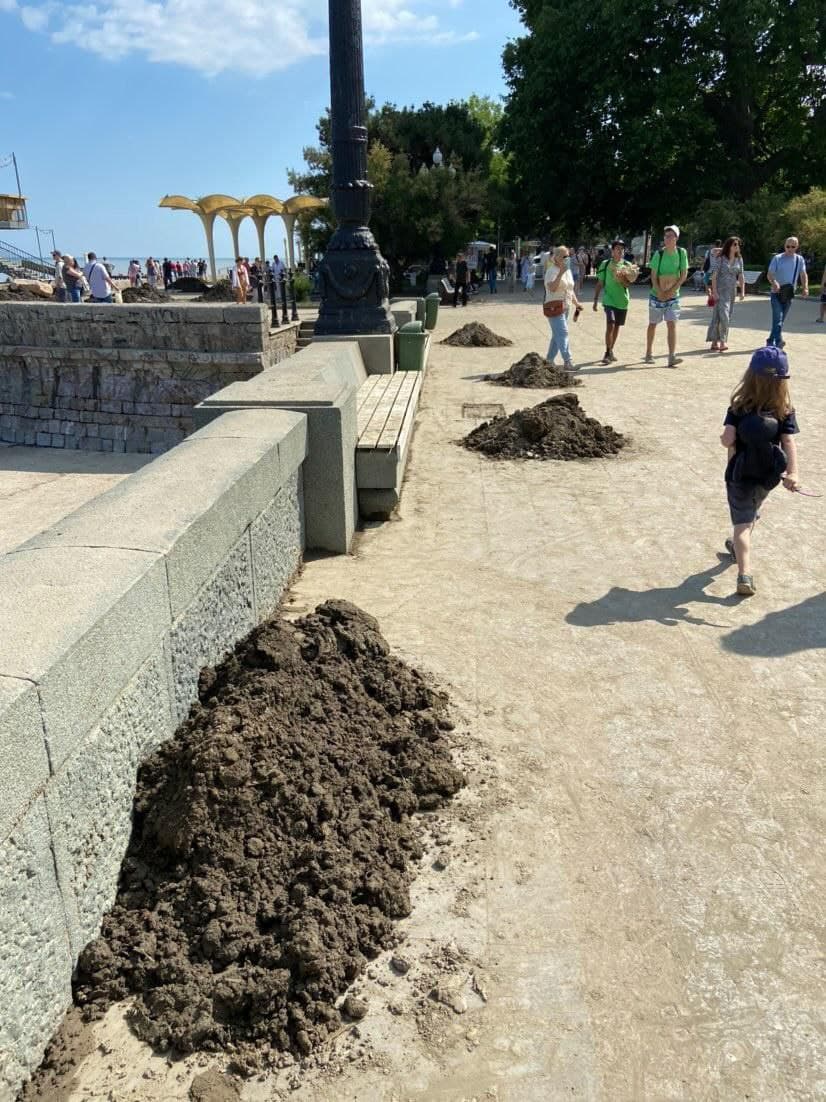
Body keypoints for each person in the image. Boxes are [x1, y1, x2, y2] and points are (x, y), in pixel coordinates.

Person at [720, 346, 800, 597]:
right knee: (751, 511)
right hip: (768, 475)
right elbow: (788, 442)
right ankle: (738, 543)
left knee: (742, 524)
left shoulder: (738, 407)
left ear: (750, 376)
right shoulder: (784, 410)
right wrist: (793, 473)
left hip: (739, 475)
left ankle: (744, 574)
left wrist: (726, 436)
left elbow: (727, 440)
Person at [644, 225, 688, 367]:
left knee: (672, 324)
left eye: (670, 236)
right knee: (653, 324)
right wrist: (660, 292)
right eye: (666, 236)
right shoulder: (659, 254)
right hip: (656, 295)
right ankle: (648, 353)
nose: (667, 238)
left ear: (676, 238)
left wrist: (670, 292)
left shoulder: (681, 253)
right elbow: (653, 276)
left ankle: (671, 356)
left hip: (673, 296)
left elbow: (683, 275)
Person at [544, 245, 583, 370]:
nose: (567, 258)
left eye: (568, 256)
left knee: (557, 335)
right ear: (556, 257)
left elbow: (570, 290)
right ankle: (568, 361)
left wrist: (577, 304)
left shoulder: (569, 271)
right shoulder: (551, 271)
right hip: (554, 307)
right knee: (563, 333)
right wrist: (560, 273)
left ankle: (549, 361)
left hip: (566, 307)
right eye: (564, 256)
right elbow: (552, 288)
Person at [593, 240, 631, 364]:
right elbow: (600, 283)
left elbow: (628, 284)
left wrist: (621, 278)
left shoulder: (627, 265)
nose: (620, 251)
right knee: (611, 324)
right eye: (617, 248)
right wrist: (595, 300)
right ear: (612, 251)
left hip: (622, 301)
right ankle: (607, 352)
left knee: (616, 327)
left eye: (622, 249)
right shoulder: (605, 264)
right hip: (609, 300)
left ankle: (610, 351)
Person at [767, 237, 809, 346]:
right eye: (788, 246)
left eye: (793, 247)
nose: (790, 249)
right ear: (784, 246)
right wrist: (774, 282)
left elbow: (803, 274)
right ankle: (778, 342)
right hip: (776, 293)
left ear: (797, 247)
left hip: (789, 294)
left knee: (780, 320)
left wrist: (805, 287)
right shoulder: (777, 258)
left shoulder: (799, 259)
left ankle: (770, 340)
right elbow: (770, 274)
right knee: (778, 318)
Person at [706, 237, 745, 352]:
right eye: (735, 244)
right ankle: (722, 342)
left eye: (738, 244)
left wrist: (742, 291)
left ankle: (714, 342)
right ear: (729, 246)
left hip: (732, 292)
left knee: (721, 316)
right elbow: (714, 276)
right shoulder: (721, 258)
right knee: (724, 316)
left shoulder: (739, 259)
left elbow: (741, 275)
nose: (737, 246)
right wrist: (714, 292)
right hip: (720, 291)